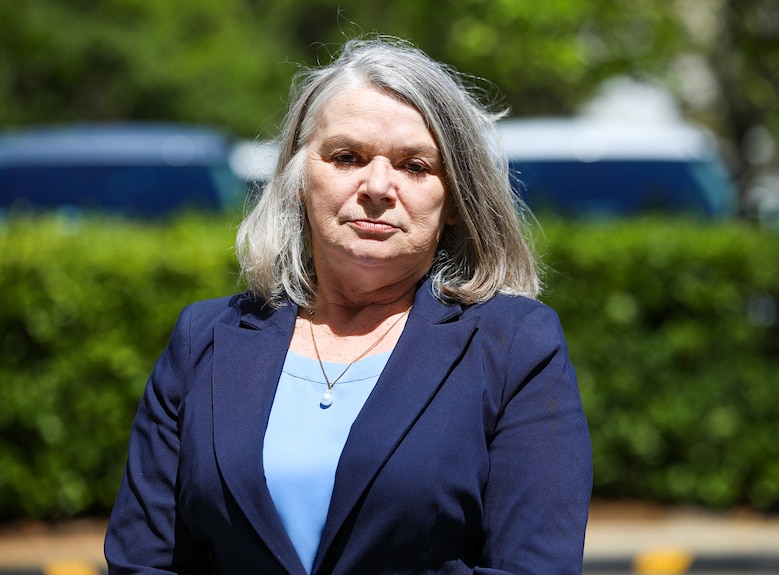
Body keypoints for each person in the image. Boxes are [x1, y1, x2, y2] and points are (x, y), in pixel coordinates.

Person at [104, 37, 592, 575]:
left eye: (414, 166)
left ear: (454, 200)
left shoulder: (516, 346)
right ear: (297, 180)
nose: (378, 186)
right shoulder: (203, 339)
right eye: (346, 157)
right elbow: (143, 561)